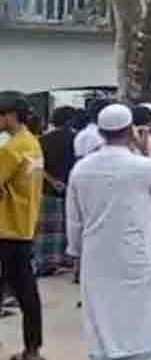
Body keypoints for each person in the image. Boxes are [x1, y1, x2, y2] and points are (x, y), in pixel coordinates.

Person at [66, 104, 151, 360]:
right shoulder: (141, 166)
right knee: (140, 313)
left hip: (96, 254)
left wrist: (75, 252)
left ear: (101, 132)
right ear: (130, 131)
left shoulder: (82, 168)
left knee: (99, 315)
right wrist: (147, 150)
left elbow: (73, 218)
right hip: (135, 253)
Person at [0, 91, 45, 360]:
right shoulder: (32, 144)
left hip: (5, 227)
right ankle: (32, 347)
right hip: (25, 225)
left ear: (9, 115)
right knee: (26, 290)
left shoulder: (10, 150)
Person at [33, 106, 76, 276]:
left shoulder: (42, 140)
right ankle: (67, 260)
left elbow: (37, 166)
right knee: (67, 226)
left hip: (48, 189)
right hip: (70, 188)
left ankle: (46, 263)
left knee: (47, 229)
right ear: (70, 121)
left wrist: (52, 181)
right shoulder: (75, 139)